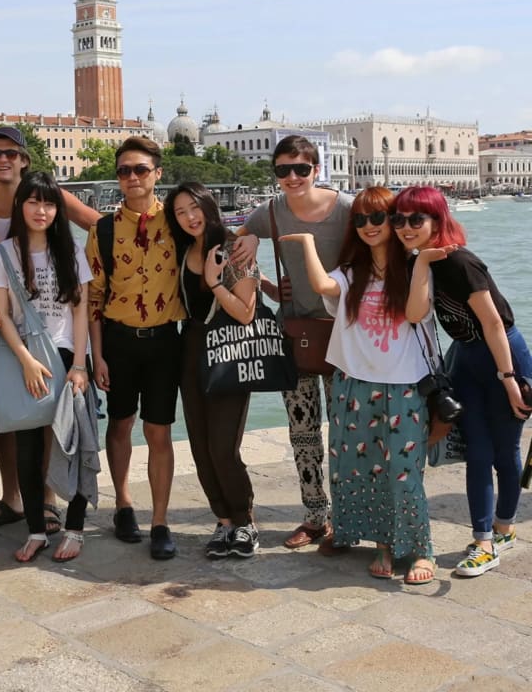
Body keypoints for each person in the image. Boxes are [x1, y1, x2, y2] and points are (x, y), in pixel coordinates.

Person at [281, 187, 435, 583]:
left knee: (404, 470)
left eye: (378, 218)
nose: (369, 226)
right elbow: (321, 287)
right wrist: (307, 243)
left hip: (403, 385)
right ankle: (384, 544)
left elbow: (421, 312)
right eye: (361, 220)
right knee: (360, 468)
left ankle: (420, 549)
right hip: (355, 383)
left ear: (394, 221)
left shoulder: (417, 266)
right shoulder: (352, 272)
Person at [394, 186, 532, 577]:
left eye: (416, 219)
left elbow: (493, 323)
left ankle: (503, 528)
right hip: (467, 358)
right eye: (399, 219)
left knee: (505, 448)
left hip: (503, 352)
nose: (405, 227)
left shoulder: (461, 263)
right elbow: (414, 313)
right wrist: (420, 266)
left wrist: (509, 379)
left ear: (437, 220)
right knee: (478, 451)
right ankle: (484, 540)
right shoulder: (418, 263)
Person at [0, 126, 100, 535]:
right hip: (21, 354)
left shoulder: (69, 252)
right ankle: (32, 522)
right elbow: (3, 317)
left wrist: (80, 363)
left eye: (48, 205)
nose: (41, 210)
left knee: (73, 437)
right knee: (26, 440)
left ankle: (72, 525)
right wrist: (27, 360)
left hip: (65, 353)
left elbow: (80, 311)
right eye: (33, 203)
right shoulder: (1, 251)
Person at [234, 135, 352, 551]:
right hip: (295, 335)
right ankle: (314, 516)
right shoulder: (272, 211)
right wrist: (252, 247)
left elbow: (380, 254)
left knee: (344, 433)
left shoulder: (347, 209)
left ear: (316, 170)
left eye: (301, 169)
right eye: (283, 170)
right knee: (302, 433)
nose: (292, 177)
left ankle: (347, 518)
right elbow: (236, 236)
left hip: (344, 337)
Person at [86, 136, 185, 560]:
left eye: (140, 169)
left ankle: (160, 519)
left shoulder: (179, 225)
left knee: (159, 431)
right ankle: (124, 503)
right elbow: (93, 298)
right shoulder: (103, 230)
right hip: (119, 340)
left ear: (157, 174)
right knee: (121, 424)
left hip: (165, 340)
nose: (132, 178)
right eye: (124, 170)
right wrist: (97, 355)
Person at [165, 182, 260, 559]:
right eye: (179, 212)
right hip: (190, 352)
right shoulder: (183, 249)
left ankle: (245, 520)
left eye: (194, 207)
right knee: (201, 447)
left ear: (208, 205)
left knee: (223, 446)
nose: (189, 217)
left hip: (229, 353)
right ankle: (223, 521)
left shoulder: (234, 247)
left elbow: (246, 311)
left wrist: (214, 284)